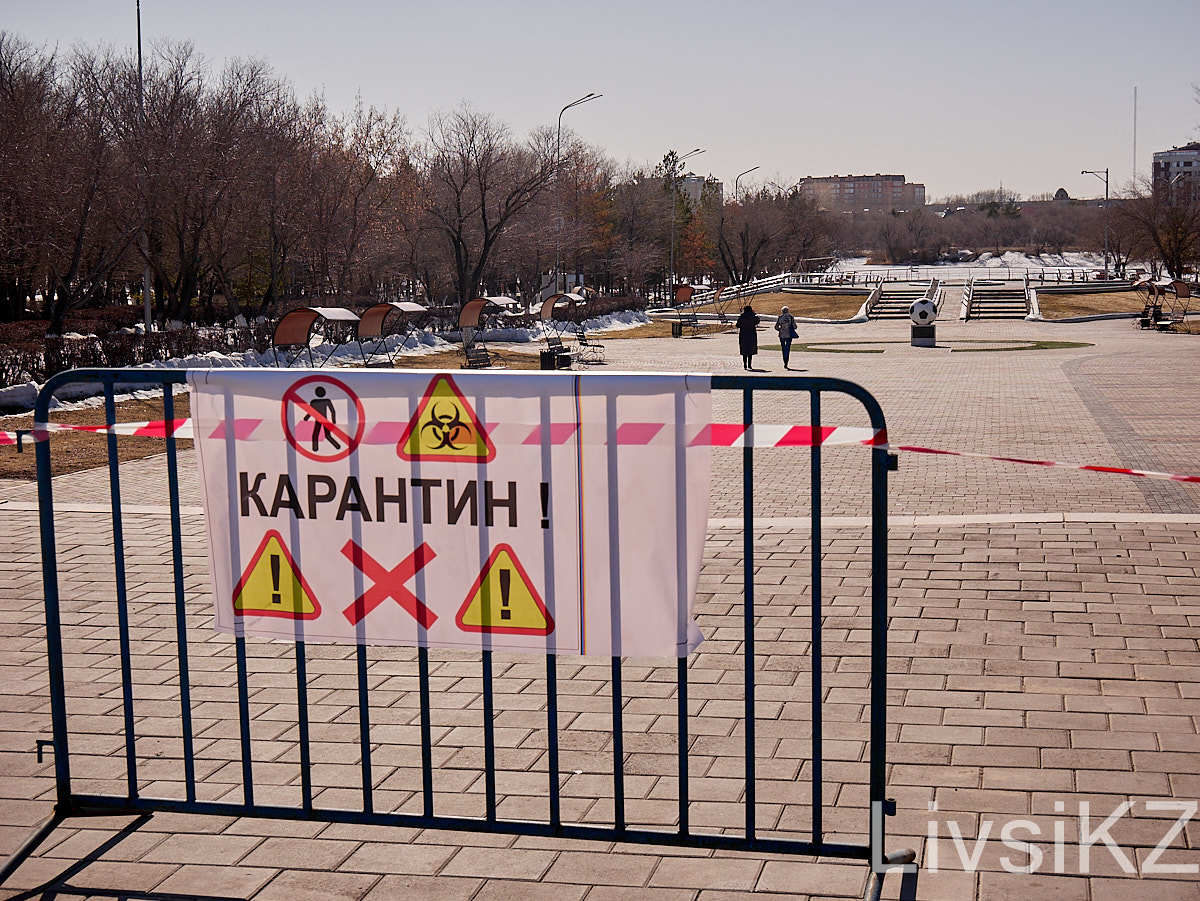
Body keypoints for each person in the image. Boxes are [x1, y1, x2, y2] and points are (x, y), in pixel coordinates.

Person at [736, 304, 759, 370]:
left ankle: (745, 365)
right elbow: (758, 321)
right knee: (750, 350)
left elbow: (737, 325)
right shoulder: (753, 316)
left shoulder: (741, 317)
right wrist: (754, 313)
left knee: (744, 350)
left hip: (743, 335)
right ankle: (749, 365)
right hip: (751, 335)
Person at [774, 305, 798, 369]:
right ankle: (786, 362)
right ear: (788, 311)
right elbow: (795, 326)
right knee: (788, 348)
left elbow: (776, 327)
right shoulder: (791, 317)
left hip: (782, 335)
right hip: (789, 335)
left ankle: (784, 360)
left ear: (782, 311)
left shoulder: (780, 317)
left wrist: (780, 329)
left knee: (783, 348)